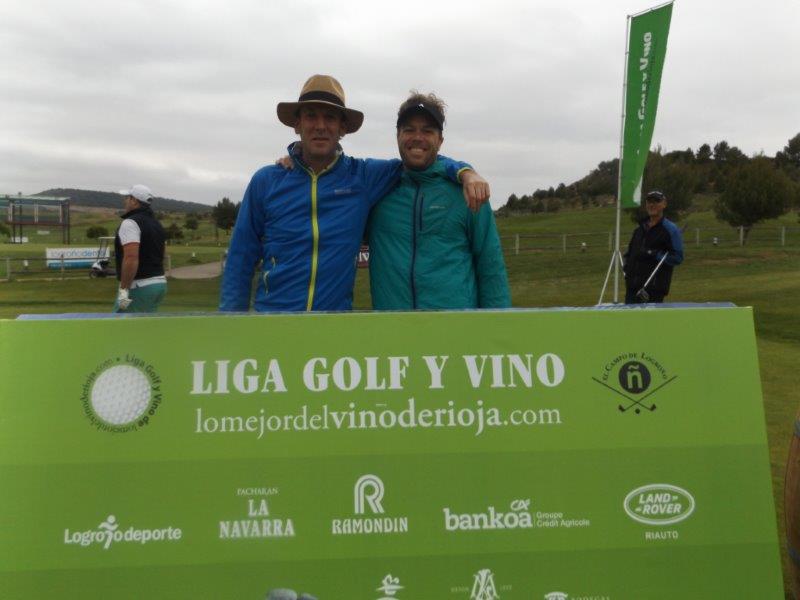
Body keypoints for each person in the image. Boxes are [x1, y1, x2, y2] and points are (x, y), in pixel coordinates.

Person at [219, 74, 489, 313]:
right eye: (311, 115)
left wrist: (465, 171)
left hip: (335, 331)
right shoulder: (266, 181)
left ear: (343, 128)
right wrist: (231, 324)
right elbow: (240, 259)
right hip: (272, 324)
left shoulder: (363, 177)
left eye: (330, 117)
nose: (320, 125)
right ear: (297, 124)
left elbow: (419, 156)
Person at [366, 92, 511, 310]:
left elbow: (490, 267)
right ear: (397, 135)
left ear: (440, 140)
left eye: (427, 131)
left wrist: (499, 329)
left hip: (454, 335)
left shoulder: (468, 192)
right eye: (409, 129)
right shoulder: (378, 190)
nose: (417, 137)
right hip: (393, 334)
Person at [623, 190, 684, 304]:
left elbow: (677, 257)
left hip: (653, 290)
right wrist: (627, 268)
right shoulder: (639, 229)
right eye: (649, 202)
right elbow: (630, 253)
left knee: (650, 322)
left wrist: (654, 253)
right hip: (632, 289)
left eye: (656, 201)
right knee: (630, 321)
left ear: (664, 204)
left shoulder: (670, 229)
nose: (652, 205)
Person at [113, 184, 167, 312]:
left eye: (128, 197)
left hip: (139, 286)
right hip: (159, 284)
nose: (125, 201)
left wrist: (124, 292)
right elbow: (162, 254)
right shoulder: (156, 224)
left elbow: (131, 258)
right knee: (144, 328)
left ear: (134, 201)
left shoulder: (130, 223)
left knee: (119, 328)